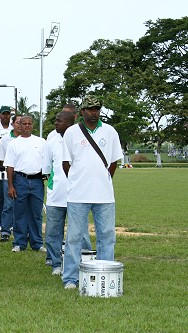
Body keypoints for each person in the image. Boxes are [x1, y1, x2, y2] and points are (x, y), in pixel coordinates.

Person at [61, 95, 123, 289]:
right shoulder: (71, 132)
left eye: (96, 109)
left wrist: (103, 179)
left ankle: (104, 273)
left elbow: (113, 162)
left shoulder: (110, 131)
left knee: (106, 236)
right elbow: (65, 163)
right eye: (90, 109)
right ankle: (70, 278)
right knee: (74, 237)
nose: (93, 112)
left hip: (104, 195)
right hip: (78, 195)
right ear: (82, 112)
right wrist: (79, 181)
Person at [42, 111, 92, 275]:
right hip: (56, 196)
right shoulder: (51, 141)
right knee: (52, 233)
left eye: (59, 121)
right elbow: (47, 168)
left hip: (77, 197)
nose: (56, 123)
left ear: (69, 124)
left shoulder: (81, 140)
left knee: (81, 233)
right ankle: (56, 263)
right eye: (55, 120)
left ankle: (84, 263)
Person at [4, 115, 46, 252]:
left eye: (29, 124)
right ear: (19, 126)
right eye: (24, 124)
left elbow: (47, 161)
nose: (27, 126)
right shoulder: (13, 144)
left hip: (37, 181)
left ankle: (37, 243)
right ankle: (19, 243)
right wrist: (10, 186)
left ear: (32, 125)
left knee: (36, 213)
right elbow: (9, 166)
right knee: (20, 213)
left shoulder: (41, 142)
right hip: (20, 180)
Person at [0, 114, 22, 242]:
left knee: (22, 205)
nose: (20, 125)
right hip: (9, 175)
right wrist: (10, 167)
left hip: (24, 176)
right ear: (13, 124)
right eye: (18, 122)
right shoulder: (5, 140)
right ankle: (5, 231)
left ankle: (22, 231)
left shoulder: (28, 139)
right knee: (8, 204)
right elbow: (1, 159)